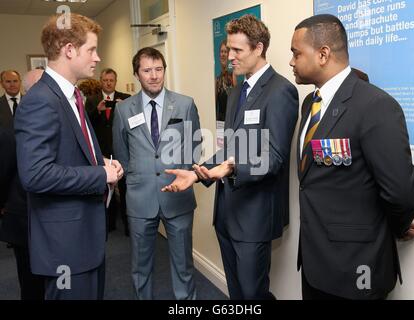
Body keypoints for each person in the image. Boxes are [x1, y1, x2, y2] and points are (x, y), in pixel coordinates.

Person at [162, 14, 299, 300]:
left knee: (252, 293)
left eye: (237, 50)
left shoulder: (280, 91)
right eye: (228, 49)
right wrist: (199, 173)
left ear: (259, 48)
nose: (229, 57)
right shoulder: (237, 91)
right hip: (227, 213)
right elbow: (232, 146)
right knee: (236, 293)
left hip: (254, 215)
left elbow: (273, 157)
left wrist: (228, 169)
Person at [289, 14, 414, 300]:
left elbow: (401, 192)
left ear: (323, 54)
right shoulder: (309, 105)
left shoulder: (375, 106)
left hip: (356, 266)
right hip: (314, 262)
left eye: (296, 53)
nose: (291, 61)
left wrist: (397, 226)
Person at [14, 13, 123, 300]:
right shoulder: (41, 101)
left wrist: (101, 163)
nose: (98, 58)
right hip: (65, 247)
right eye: (91, 50)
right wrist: (100, 175)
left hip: (84, 238)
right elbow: (35, 174)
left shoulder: (70, 96)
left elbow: (71, 153)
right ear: (69, 50)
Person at [112, 47, 201, 300]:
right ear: (137, 74)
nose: (154, 76)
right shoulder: (124, 110)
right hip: (140, 199)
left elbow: (194, 147)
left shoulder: (185, 104)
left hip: (178, 196)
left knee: (183, 265)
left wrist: (183, 174)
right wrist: (139, 176)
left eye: (158, 69)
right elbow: (122, 154)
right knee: (140, 267)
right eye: (147, 70)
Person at [0, 68, 45, 300]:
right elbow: (5, 167)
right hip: (21, 209)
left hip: (52, 212)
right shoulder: (11, 132)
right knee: (29, 277)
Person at [86, 68, 131, 235]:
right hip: (102, 152)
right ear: (100, 81)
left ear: (116, 81)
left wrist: (123, 109)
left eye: (111, 80)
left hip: (122, 150)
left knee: (126, 190)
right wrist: (97, 110)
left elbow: (133, 124)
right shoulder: (92, 100)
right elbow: (87, 125)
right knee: (105, 188)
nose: (108, 83)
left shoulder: (126, 99)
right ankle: (109, 224)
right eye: (105, 80)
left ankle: (129, 226)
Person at [215, 39, 236, 121]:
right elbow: (215, 105)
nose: (223, 54)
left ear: (228, 55)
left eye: (225, 52)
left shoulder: (233, 76)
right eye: (221, 51)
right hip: (220, 122)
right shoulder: (217, 80)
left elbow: (236, 101)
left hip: (231, 119)